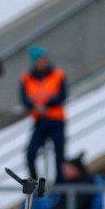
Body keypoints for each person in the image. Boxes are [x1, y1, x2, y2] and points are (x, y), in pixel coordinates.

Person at [21, 46, 68, 184]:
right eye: (41, 59)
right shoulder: (27, 78)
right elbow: (24, 99)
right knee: (31, 153)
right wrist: (36, 107)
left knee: (60, 155)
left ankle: (60, 185)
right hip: (40, 121)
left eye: (45, 58)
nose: (44, 62)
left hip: (56, 120)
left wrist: (46, 105)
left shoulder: (58, 74)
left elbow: (62, 95)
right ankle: (34, 184)